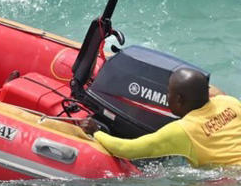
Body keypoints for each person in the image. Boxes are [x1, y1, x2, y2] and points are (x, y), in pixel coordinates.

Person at [80, 67, 241, 167]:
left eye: (169, 92)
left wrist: (96, 131)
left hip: (231, 181)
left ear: (179, 99)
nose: (166, 95)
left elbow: (127, 150)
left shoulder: (182, 130)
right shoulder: (229, 102)